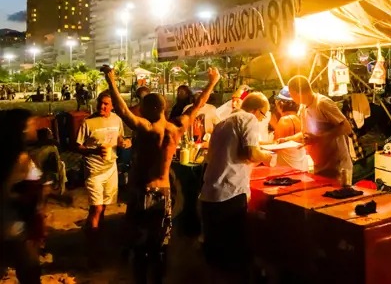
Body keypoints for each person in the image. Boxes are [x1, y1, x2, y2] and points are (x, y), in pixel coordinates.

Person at [102, 66, 220, 284]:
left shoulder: (147, 128)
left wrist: (111, 82)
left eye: (144, 107)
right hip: (164, 191)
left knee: (139, 244)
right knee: (159, 245)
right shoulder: (177, 126)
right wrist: (212, 82)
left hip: (143, 192)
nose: (140, 110)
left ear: (152, 109)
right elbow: (198, 105)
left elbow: (123, 111)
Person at [200, 92, 273, 284]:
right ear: (257, 111)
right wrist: (267, 156)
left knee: (215, 254)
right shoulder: (248, 118)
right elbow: (250, 152)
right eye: (263, 114)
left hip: (210, 195)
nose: (261, 119)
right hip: (230, 195)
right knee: (234, 254)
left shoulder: (224, 122)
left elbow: (238, 153)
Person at [76, 91, 131, 260]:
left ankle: (94, 231)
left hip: (111, 168)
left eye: (106, 104)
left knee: (104, 206)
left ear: (112, 106)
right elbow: (78, 146)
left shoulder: (117, 119)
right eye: (101, 103)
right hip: (93, 169)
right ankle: (93, 249)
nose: (102, 106)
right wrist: (93, 150)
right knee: (97, 207)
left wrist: (125, 143)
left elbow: (121, 138)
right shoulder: (88, 122)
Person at [0, 109, 42, 284]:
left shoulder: (7, 156)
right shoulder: (21, 160)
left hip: (7, 226)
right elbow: (16, 193)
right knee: (30, 275)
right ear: (22, 129)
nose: (36, 128)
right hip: (17, 229)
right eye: (32, 124)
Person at [285, 75, 352, 180]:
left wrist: (320, 138)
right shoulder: (303, 107)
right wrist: (287, 140)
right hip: (320, 165)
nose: (291, 98)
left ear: (298, 92)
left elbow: (346, 127)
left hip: (337, 167)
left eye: (291, 94)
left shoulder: (322, 104)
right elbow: (306, 134)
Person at [272, 87, 307, 171]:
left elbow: (275, 146)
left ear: (280, 104)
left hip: (287, 170)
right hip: (302, 167)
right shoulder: (300, 119)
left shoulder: (284, 120)